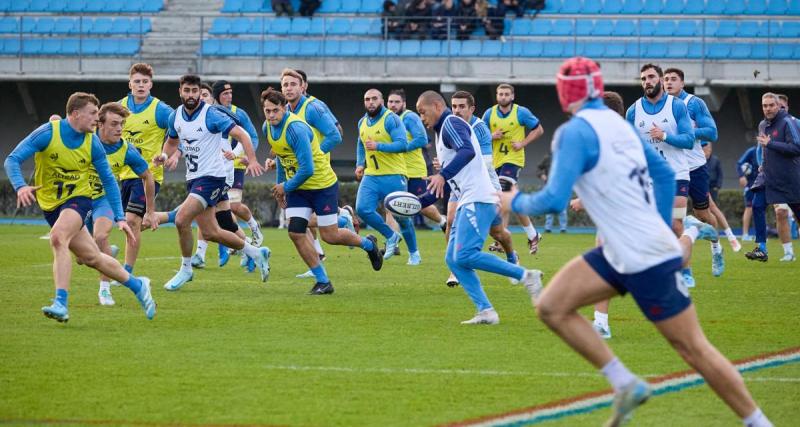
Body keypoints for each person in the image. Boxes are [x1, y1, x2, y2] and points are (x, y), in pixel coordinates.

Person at [502, 57, 773, 427]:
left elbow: (552, 200)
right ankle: (625, 383)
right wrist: (658, 224)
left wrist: (513, 201)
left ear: (565, 92)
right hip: (618, 251)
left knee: (693, 349)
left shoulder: (573, 132)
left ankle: (759, 422)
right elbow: (662, 173)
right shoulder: (620, 124)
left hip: (642, 255)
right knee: (551, 306)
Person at [4, 92, 156, 322]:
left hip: (79, 199)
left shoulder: (92, 142)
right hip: (51, 205)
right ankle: (138, 286)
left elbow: (109, 181)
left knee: (58, 238)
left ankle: (61, 303)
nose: (97, 118)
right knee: (92, 258)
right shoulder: (48, 133)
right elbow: (12, 159)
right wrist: (20, 186)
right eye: (93, 113)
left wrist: (119, 217)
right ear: (76, 114)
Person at [415, 90, 542, 325]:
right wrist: (418, 204)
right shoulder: (441, 132)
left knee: (465, 254)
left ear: (436, 106)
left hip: (479, 198)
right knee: (453, 259)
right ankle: (486, 311)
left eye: (422, 112)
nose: (421, 118)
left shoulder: (450, 123)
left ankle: (526, 275)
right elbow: (449, 181)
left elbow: (467, 151)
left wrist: (442, 174)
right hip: (469, 199)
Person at [261, 88, 384, 295]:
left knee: (330, 236)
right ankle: (323, 281)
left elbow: (307, 169)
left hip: (321, 185)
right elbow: (282, 158)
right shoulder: (268, 127)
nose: (271, 115)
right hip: (299, 188)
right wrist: (281, 187)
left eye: (275, 110)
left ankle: (369, 245)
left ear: (284, 109)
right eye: (267, 111)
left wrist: (285, 186)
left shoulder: (295, 129)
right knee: (295, 232)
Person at [154, 74, 271, 290]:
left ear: (200, 93)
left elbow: (243, 134)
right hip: (194, 178)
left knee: (181, 219)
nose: (191, 95)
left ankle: (186, 269)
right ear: (180, 92)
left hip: (212, 178)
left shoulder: (211, 114)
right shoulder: (175, 116)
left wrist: (252, 159)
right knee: (211, 232)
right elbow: (171, 142)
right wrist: (163, 155)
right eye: (187, 90)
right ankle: (256, 252)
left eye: (194, 91)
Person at [626, 63, 712, 288]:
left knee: (674, 224)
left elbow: (688, 140)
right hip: (649, 177)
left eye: (651, 77)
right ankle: (690, 232)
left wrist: (664, 135)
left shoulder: (677, 106)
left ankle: (685, 270)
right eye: (643, 79)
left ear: (660, 79)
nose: (647, 82)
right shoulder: (633, 111)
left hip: (676, 173)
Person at [664, 68, 739, 263]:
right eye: (666, 79)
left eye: (673, 79)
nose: (669, 82)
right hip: (672, 169)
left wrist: (687, 133)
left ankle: (716, 246)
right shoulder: (660, 106)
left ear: (682, 83)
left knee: (703, 214)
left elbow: (712, 133)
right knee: (673, 216)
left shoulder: (694, 103)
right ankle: (678, 261)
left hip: (695, 167)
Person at [449, 90, 520, 286]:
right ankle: (455, 268)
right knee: (451, 219)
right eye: (454, 106)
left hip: (486, 184)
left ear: (471, 109)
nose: (457, 110)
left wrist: (453, 163)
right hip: (462, 183)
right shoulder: (450, 125)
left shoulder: (479, 128)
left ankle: (512, 257)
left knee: (497, 233)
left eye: (461, 106)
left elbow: (487, 163)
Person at [89, 103, 158, 306]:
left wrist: (151, 211)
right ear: (100, 124)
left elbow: (148, 176)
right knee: (84, 257)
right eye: (114, 124)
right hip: (79, 199)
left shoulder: (126, 149)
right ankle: (106, 252)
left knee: (100, 236)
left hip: (104, 200)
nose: (119, 129)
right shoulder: (86, 139)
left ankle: (104, 289)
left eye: (121, 124)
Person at [117, 63, 174, 278]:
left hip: (149, 175)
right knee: (128, 222)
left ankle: (126, 273)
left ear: (151, 84)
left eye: (145, 82)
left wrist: (172, 154)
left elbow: (179, 129)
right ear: (129, 84)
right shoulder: (119, 107)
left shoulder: (160, 110)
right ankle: (171, 216)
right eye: (137, 81)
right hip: (124, 175)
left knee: (132, 221)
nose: (141, 85)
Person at [355, 88, 419, 261]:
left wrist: (378, 146)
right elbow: (361, 144)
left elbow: (403, 144)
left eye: (374, 98)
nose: (371, 102)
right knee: (362, 209)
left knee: (402, 218)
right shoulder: (362, 122)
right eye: (367, 99)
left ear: (382, 101)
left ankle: (414, 253)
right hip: (371, 175)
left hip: (394, 175)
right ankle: (391, 236)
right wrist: (360, 164)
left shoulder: (391, 119)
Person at [385, 88, 446, 264]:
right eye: (390, 102)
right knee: (392, 205)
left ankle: (442, 221)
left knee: (420, 206)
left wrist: (401, 147)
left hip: (414, 170)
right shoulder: (386, 119)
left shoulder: (410, 117)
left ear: (404, 103)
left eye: (397, 102)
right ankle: (393, 243)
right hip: (396, 170)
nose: (393, 105)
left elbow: (422, 139)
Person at [482, 83, 545, 254]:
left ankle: (501, 237)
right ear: (497, 96)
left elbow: (539, 129)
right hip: (496, 162)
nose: (503, 97)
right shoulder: (489, 114)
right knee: (510, 200)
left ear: (512, 96)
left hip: (513, 160)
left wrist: (522, 143)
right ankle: (532, 235)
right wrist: (491, 136)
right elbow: (480, 136)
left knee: (502, 192)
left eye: (506, 94)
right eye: (500, 94)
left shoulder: (521, 112)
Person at [746, 92, 800, 262]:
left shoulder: (788, 122)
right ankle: (762, 248)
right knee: (757, 205)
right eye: (765, 105)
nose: (768, 108)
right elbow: (763, 148)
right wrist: (762, 162)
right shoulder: (762, 125)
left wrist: (771, 144)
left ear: (778, 106)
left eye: (771, 105)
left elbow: (796, 148)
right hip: (768, 176)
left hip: (788, 178)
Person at [212, 80, 264, 254]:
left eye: (231, 93)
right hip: (215, 167)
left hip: (236, 165)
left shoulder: (239, 114)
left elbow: (252, 137)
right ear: (216, 96)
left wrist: (247, 155)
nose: (229, 96)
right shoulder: (209, 113)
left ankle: (253, 228)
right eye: (225, 93)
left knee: (232, 206)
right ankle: (242, 243)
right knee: (220, 209)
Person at [537, 154, 567, 233]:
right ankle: (548, 228)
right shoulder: (547, 158)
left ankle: (563, 228)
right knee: (549, 207)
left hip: (561, 185)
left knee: (562, 207)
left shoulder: (564, 157)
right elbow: (538, 169)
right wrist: (541, 175)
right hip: (549, 185)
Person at [737, 145, 759, 241]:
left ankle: (760, 234)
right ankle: (745, 234)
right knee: (749, 208)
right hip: (750, 185)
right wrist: (741, 176)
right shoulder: (752, 151)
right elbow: (739, 163)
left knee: (760, 208)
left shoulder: (768, 151)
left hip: (762, 184)